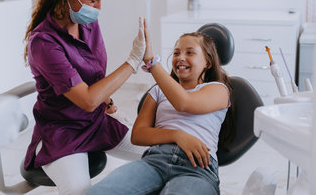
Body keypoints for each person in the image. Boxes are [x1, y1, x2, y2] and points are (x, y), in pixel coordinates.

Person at [23, 0, 146, 195]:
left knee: (164, 154)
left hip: (97, 122)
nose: (99, 7)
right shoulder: (44, 42)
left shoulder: (88, 24)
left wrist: (109, 103)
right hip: (63, 134)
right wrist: (132, 61)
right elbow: (88, 100)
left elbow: (94, 78)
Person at [86, 24, 234, 195]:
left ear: (207, 62)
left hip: (197, 169)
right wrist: (177, 136)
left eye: (190, 52)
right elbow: (138, 135)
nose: (180, 58)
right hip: (154, 161)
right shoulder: (157, 91)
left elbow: (184, 103)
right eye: (177, 52)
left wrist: (151, 63)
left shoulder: (218, 89)